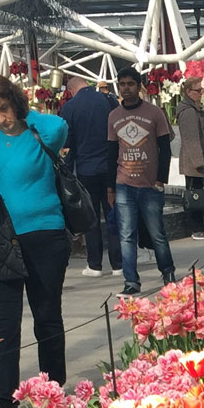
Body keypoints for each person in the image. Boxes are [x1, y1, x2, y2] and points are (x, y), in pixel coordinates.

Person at [0, 73, 70, 408]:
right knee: (4, 323)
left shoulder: (39, 133)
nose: (2, 117)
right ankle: (3, 396)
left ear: (17, 105)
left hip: (44, 233)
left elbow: (60, 127)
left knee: (47, 315)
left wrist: (27, 115)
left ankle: (53, 388)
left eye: (5, 108)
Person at [108, 68, 175, 297]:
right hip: (124, 184)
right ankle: (131, 281)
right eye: (122, 84)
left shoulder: (154, 113)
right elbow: (110, 152)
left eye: (130, 84)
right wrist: (110, 188)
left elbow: (164, 148)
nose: (126, 88)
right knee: (127, 235)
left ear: (139, 86)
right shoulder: (114, 116)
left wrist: (160, 179)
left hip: (150, 185)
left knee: (157, 233)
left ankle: (168, 272)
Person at [60, 73, 119, 276]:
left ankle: (95, 264)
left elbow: (67, 141)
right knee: (113, 214)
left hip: (86, 169)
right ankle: (118, 264)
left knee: (91, 217)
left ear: (71, 91)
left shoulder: (69, 108)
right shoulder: (108, 100)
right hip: (111, 167)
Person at [175, 73, 204, 232]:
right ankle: (196, 228)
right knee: (196, 196)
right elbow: (192, 139)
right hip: (195, 163)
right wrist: (199, 163)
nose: (201, 92)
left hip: (200, 160)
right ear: (189, 92)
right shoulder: (188, 112)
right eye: (198, 90)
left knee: (199, 194)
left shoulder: (197, 109)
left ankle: (200, 226)